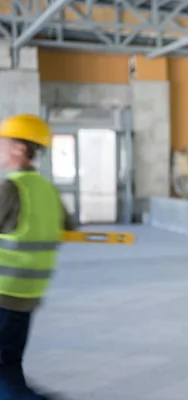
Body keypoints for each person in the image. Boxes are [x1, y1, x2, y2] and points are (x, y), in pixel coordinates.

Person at [0, 114, 74, 399]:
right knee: (9, 365)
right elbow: (69, 225)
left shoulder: (11, 188)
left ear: (20, 148)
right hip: (27, 295)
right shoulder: (47, 189)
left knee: (5, 374)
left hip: (4, 293)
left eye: (4, 143)